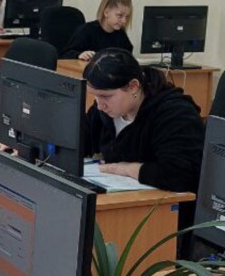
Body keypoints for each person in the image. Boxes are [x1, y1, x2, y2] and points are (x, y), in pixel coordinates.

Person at [82, 49, 205, 192]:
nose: (99, 105)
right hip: (121, 196)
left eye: (106, 96)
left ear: (133, 86)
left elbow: (182, 174)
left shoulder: (175, 114)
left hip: (165, 201)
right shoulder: (105, 110)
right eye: (95, 96)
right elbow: (80, 140)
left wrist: (127, 169)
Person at [61, 0, 134, 61]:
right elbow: (65, 55)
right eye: (119, 15)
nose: (124, 21)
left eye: (127, 17)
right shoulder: (87, 31)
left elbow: (128, 58)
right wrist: (79, 55)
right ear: (106, 12)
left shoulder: (121, 35)